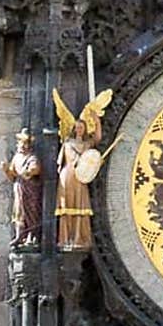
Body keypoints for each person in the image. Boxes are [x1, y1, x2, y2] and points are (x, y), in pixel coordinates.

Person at [52, 87, 112, 250]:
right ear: (73, 128)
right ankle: (65, 238)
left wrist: (96, 120)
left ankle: (80, 238)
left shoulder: (87, 144)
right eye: (77, 127)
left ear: (85, 129)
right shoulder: (67, 143)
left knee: (80, 206)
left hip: (81, 177)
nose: (79, 129)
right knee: (66, 206)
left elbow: (98, 138)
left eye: (82, 127)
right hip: (68, 175)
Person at [1, 128, 43, 249]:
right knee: (19, 213)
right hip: (19, 187)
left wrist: (30, 171)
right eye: (21, 143)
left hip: (30, 189)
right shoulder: (16, 158)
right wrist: (6, 170)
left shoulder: (32, 157)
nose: (23, 145)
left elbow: (36, 169)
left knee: (31, 212)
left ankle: (32, 236)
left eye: (26, 143)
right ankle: (20, 236)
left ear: (29, 145)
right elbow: (12, 176)